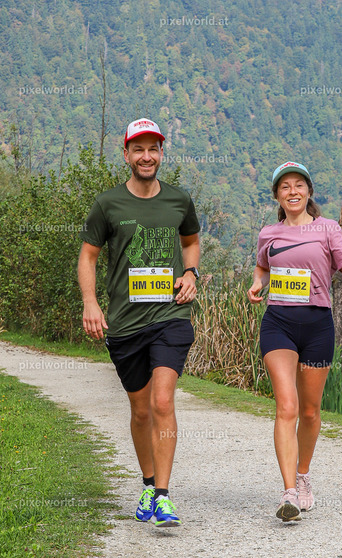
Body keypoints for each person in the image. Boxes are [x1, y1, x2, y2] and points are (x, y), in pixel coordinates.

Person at [78, 118, 200, 527]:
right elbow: (88, 256)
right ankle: (148, 483)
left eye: (153, 149)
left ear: (161, 153)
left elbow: (191, 241)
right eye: (139, 149)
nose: (146, 156)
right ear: (127, 154)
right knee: (141, 410)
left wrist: (190, 273)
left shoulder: (179, 200)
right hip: (126, 323)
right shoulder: (107, 204)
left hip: (171, 316)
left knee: (162, 402)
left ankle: (163, 496)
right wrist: (91, 303)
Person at [247, 161, 342, 522]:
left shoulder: (328, 229)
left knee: (310, 411)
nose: (292, 191)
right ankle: (288, 494)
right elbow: (263, 265)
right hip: (278, 324)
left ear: (309, 191)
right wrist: (257, 283)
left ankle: (303, 475)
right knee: (287, 406)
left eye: (299, 185)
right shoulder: (269, 233)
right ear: (277, 196)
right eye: (285, 187)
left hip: (317, 326)